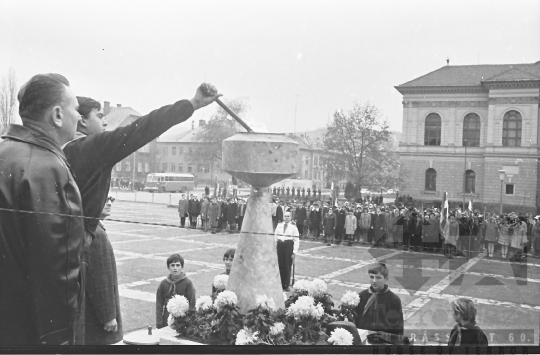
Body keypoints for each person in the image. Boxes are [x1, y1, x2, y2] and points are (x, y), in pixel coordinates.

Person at [0, 74, 85, 345]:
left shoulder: (5, 152)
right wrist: (61, 341)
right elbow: (56, 271)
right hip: (30, 333)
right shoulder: (49, 168)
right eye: (76, 109)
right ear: (57, 115)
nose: (80, 118)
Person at [85, 197, 123, 345]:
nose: (109, 203)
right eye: (105, 199)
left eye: (111, 199)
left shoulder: (91, 227)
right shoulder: (97, 233)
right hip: (99, 320)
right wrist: (108, 316)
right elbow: (100, 278)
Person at [354, 263, 404, 335]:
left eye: (378, 278)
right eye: (371, 277)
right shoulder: (361, 296)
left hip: (384, 339)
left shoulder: (393, 300)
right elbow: (355, 322)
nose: (374, 281)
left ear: (386, 279)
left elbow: (398, 328)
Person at [156, 254, 196, 329]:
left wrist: (190, 323)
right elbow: (159, 305)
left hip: (183, 321)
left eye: (178, 265)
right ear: (168, 267)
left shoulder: (188, 283)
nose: (175, 268)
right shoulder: (163, 284)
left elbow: (192, 304)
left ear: (182, 267)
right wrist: (159, 323)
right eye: (172, 265)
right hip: (166, 320)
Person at [274, 211, 300, 291]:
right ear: (283, 217)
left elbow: (296, 240)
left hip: (288, 246)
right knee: (280, 265)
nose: (286, 217)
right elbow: (275, 236)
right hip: (280, 245)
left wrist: (294, 252)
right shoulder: (279, 225)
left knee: (287, 266)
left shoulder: (293, 227)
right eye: (285, 216)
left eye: (288, 216)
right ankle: (280, 284)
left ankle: (286, 284)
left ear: (291, 217)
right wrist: (274, 248)